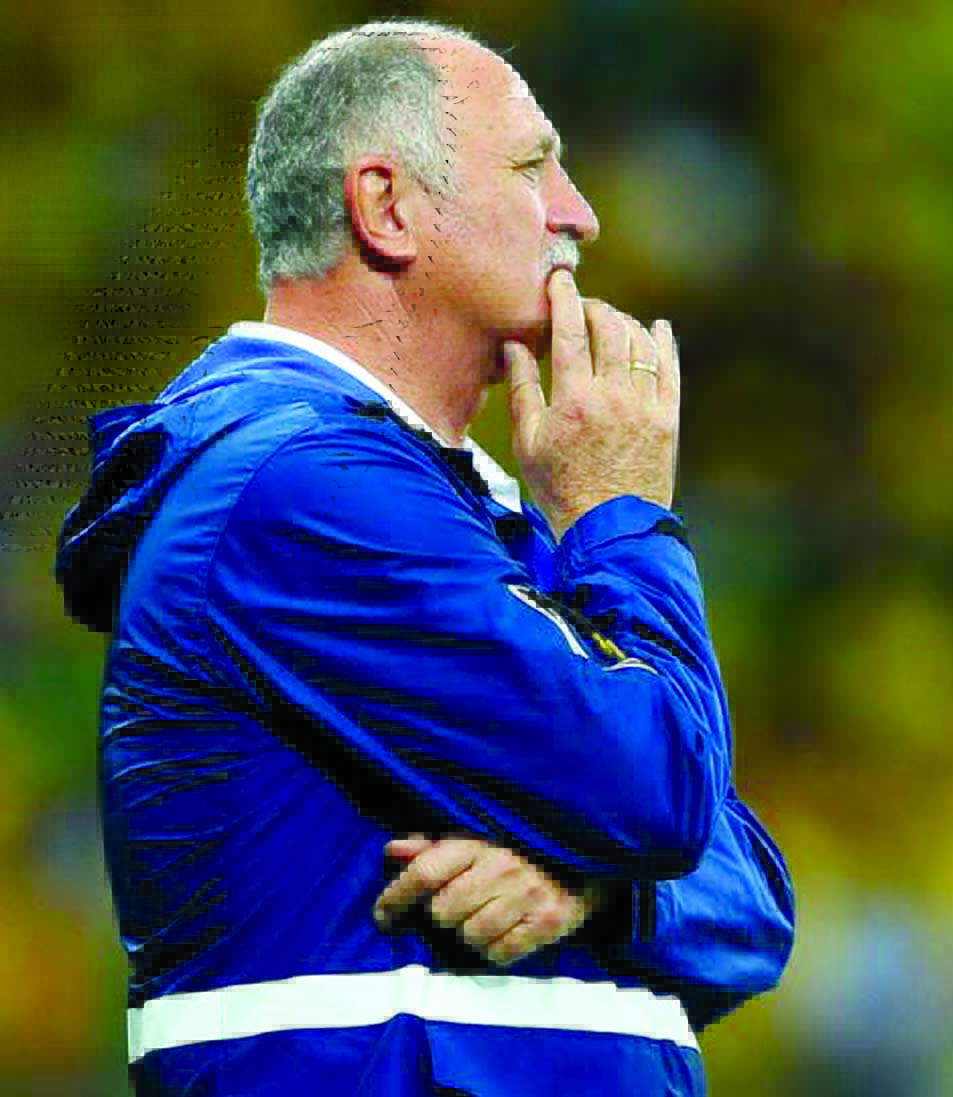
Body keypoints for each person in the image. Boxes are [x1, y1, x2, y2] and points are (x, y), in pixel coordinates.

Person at [54, 18, 794, 1097]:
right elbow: (665, 791)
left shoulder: (459, 502)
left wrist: (602, 884)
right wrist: (628, 514)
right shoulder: (302, 489)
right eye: (536, 166)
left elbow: (755, 905)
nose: (579, 215)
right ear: (389, 208)